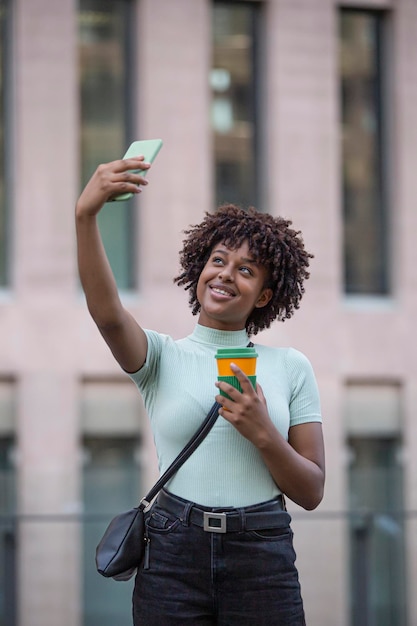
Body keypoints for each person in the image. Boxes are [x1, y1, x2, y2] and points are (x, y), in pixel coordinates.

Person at [76, 154, 325, 626]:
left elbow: (311, 490)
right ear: (200, 270)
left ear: (265, 295)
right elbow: (107, 314)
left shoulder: (291, 367)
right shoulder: (160, 357)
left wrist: (262, 432)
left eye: (247, 270)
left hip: (262, 557)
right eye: (218, 261)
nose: (227, 274)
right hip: (172, 554)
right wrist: (85, 216)